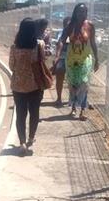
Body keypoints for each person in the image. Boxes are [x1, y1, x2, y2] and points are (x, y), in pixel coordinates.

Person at [9, 18, 45, 152]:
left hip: (18, 85)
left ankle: (22, 142)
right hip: (35, 85)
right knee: (34, 112)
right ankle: (31, 138)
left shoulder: (14, 47)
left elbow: (12, 66)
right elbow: (42, 62)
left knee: (20, 113)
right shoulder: (39, 45)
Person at [58, 3, 99, 120]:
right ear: (75, 13)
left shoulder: (90, 25)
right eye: (79, 11)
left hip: (85, 59)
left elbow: (93, 43)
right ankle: (73, 109)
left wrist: (97, 59)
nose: (81, 14)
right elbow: (61, 40)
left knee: (84, 84)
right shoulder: (70, 26)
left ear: (86, 13)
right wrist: (58, 53)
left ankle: (82, 110)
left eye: (84, 11)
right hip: (71, 60)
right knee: (73, 85)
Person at [51, 17, 71, 107]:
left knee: (73, 80)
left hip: (73, 59)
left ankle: (72, 99)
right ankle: (59, 98)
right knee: (59, 79)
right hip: (62, 58)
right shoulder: (61, 33)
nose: (68, 25)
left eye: (70, 24)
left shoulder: (76, 33)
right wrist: (57, 57)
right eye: (67, 24)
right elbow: (59, 42)